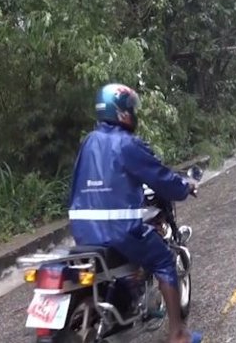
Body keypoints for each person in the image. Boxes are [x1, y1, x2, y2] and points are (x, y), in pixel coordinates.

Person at [68, 83, 200, 343]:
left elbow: (75, 185)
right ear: (122, 112)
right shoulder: (127, 144)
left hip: (82, 230)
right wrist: (185, 187)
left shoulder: (88, 141)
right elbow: (160, 177)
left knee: (111, 269)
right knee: (163, 260)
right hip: (119, 230)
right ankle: (178, 334)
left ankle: (118, 304)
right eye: (131, 108)